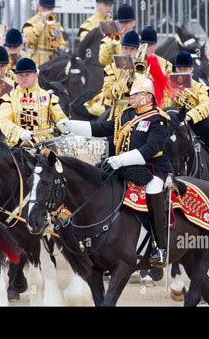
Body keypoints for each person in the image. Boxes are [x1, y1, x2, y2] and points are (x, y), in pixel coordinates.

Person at [58, 56, 172, 267]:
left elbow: (149, 150)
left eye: (135, 94)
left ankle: (160, 246)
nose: (131, 97)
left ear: (147, 97)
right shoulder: (126, 115)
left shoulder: (159, 119)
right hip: (125, 166)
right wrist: (70, 125)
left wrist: (119, 160)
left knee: (153, 190)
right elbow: (101, 129)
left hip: (152, 168)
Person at [171, 51, 209, 187]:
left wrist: (189, 116)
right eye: (180, 69)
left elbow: (205, 105)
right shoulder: (169, 87)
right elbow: (163, 106)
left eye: (185, 69)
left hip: (195, 123)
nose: (183, 72)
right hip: (173, 124)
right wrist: (172, 98)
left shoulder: (200, 87)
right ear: (175, 70)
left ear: (191, 70)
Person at [0, 57, 68, 146]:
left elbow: (61, 117)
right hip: (16, 146)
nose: (24, 78)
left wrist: (64, 123)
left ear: (36, 76)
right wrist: (20, 133)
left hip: (44, 146)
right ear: (16, 77)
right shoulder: (8, 98)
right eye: (21, 75)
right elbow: (4, 122)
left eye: (27, 74)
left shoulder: (48, 97)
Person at [22, 0, 68, 67]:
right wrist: (41, 23)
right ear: (38, 6)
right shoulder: (30, 23)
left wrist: (62, 47)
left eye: (49, 8)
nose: (46, 10)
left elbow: (62, 42)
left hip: (51, 65)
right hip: (34, 63)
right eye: (44, 7)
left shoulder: (56, 25)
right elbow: (30, 40)